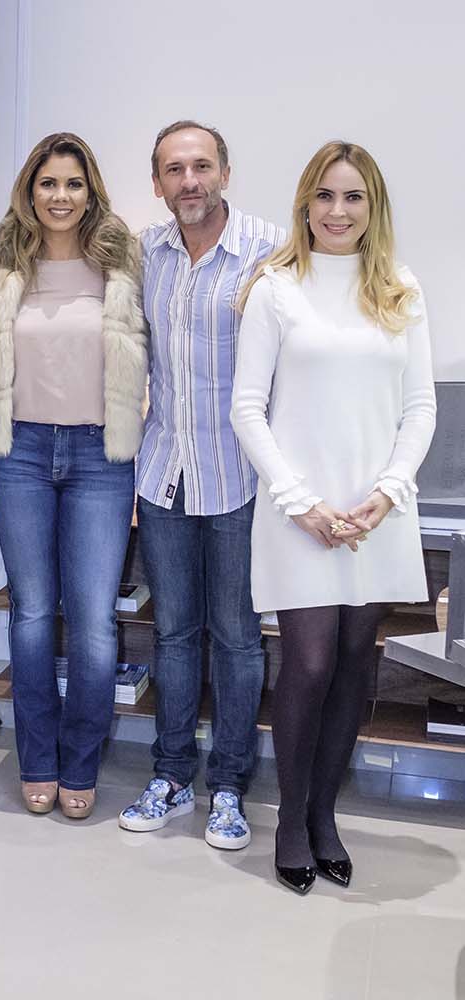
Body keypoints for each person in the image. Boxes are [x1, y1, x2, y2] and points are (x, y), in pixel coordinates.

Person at [232, 141, 434, 894]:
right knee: (309, 662)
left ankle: (325, 817)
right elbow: (248, 410)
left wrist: (387, 490)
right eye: (325, 196)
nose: (338, 211)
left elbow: (421, 406)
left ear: (372, 207)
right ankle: (289, 820)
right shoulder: (276, 288)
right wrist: (300, 502)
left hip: (378, 510)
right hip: (301, 510)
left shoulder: (401, 289)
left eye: (353, 198)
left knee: (356, 662)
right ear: (304, 204)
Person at [0, 132, 147, 820]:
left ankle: (81, 764)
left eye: (73, 184)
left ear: (90, 191)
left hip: (102, 459)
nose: (61, 197)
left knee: (96, 623)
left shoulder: (124, 264)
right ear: (29, 190)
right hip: (20, 456)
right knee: (35, 615)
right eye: (48, 183)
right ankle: (36, 760)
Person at [118, 121, 284, 850]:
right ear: (157, 182)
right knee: (175, 635)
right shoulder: (146, 253)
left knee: (239, 639)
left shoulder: (271, 253)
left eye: (201, 166)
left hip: (240, 480)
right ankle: (172, 775)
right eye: (174, 170)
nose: (189, 181)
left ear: (225, 172)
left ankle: (230, 788)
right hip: (164, 477)